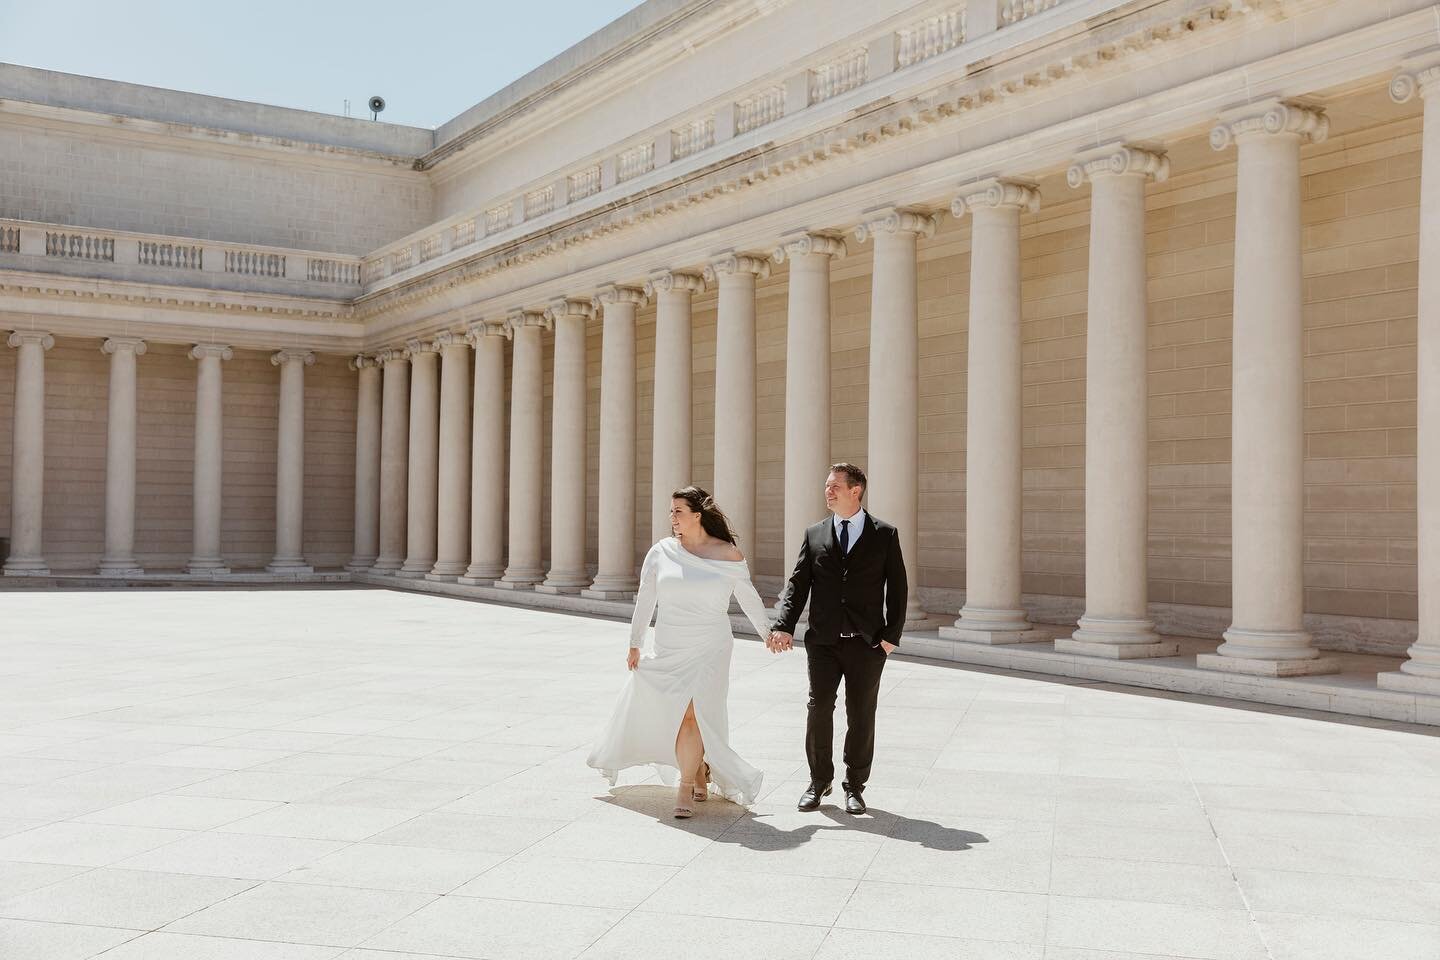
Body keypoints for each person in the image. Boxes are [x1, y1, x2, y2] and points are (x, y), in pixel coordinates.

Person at [587, 485, 777, 817]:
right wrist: (635, 643)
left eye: (678, 511)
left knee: (694, 712)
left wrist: (766, 633)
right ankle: (699, 770)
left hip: (711, 645)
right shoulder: (661, 551)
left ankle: (685, 787)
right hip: (670, 643)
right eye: (671, 511)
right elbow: (646, 598)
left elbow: (747, 596)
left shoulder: (728, 553)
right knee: (679, 713)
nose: (672, 517)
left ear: (697, 515)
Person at [769, 462, 906, 815]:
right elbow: (797, 585)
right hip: (823, 642)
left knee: (861, 714)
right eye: (827, 486)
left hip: (867, 643)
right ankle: (818, 781)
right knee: (819, 709)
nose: (827, 491)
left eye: (834, 486)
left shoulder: (885, 534)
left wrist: (890, 638)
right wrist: (783, 624)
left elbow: (899, 589)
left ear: (855, 490)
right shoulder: (815, 534)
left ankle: (854, 786)